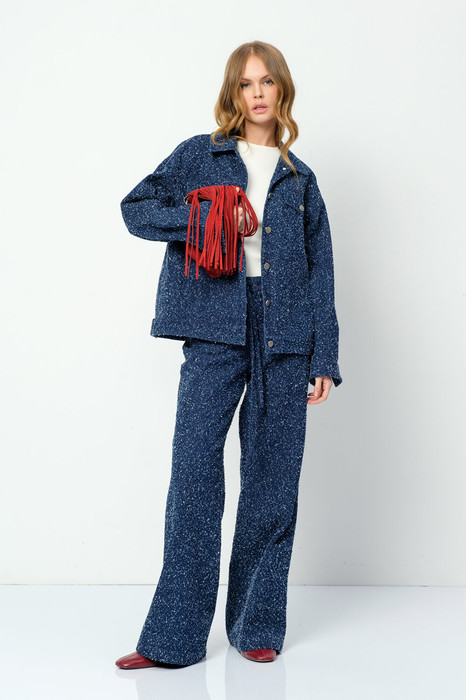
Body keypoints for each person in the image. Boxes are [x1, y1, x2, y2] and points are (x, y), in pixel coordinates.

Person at [116, 40, 342, 669]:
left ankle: (256, 626)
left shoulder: (302, 179)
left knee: (273, 480)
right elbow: (137, 209)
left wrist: (324, 356)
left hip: (285, 331)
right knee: (193, 476)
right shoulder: (201, 154)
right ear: (233, 93)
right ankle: (172, 639)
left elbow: (321, 272)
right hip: (213, 324)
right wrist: (206, 222)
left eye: (267, 82)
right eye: (246, 84)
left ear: (282, 89)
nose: (258, 93)